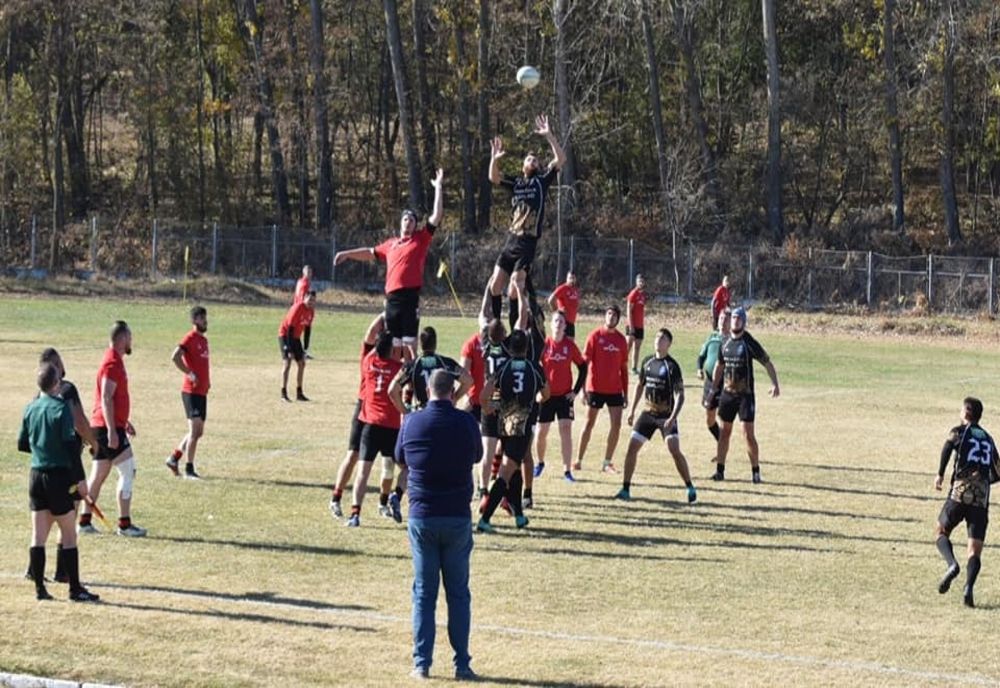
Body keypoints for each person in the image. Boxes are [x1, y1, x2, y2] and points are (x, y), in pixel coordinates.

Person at [394, 369, 481, 681]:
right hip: (457, 515)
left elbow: (400, 458)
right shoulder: (466, 422)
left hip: (423, 515)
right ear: (451, 391)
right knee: (458, 592)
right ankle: (461, 663)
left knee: (423, 593)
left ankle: (422, 662)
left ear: (428, 390)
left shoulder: (413, 422)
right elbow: (477, 455)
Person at [334, 169, 444, 357]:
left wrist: (439, 188)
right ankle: (392, 381)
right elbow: (369, 253)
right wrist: (347, 254)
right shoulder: (390, 244)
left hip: (410, 297)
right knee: (393, 345)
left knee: (409, 346)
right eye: (405, 219)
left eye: (411, 220)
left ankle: (410, 384)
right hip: (392, 299)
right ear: (400, 223)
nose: (408, 222)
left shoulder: (420, 239)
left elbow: (436, 216)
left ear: (415, 225)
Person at [19, 362, 100, 602]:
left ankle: (40, 591)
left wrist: (41, 447)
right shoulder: (60, 408)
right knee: (68, 534)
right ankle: (75, 589)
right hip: (58, 477)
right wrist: (81, 480)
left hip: (36, 476)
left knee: (38, 535)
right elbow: (69, 448)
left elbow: (22, 444)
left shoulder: (30, 408)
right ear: (57, 384)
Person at [486, 114, 566, 323]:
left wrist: (549, 135)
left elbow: (561, 159)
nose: (532, 161)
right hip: (511, 240)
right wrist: (494, 159)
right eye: (528, 159)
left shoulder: (541, 181)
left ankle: (516, 331)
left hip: (528, 242)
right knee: (495, 285)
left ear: (538, 166)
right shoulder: (517, 183)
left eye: (535, 160)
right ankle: (496, 327)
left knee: (514, 289)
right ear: (523, 166)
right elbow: (493, 178)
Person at [477, 329, 549, 533]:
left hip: (504, 424)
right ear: (527, 348)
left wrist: (489, 407)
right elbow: (546, 393)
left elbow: (484, 396)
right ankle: (485, 518)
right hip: (522, 426)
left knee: (515, 468)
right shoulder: (535, 368)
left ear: (509, 348)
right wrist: (536, 399)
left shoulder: (503, 367)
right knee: (507, 471)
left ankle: (518, 515)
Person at [79, 320, 146, 537]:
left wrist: (123, 421)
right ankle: (124, 525)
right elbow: (106, 397)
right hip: (105, 427)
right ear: (122, 338)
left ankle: (84, 521)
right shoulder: (112, 363)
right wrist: (112, 430)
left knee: (98, 474)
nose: (131, 341)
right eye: (129, 336)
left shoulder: (116, 360)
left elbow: (112, 399)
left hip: (106, 424)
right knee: (128, 469)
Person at [616, 329, 696, 503]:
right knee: (631, 449)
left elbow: (680, 395)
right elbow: (640, 386)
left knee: (674, 449)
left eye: (663, 338)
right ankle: (625, 489)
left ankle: (690, 486)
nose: (658, 341)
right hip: (648, 414)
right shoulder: (647, 362)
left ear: (669, 344)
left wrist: (673, 417)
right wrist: (632, 411)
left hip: (666, 415)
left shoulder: (672, 366)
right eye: (657, 337)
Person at [934, 397, 998, 608]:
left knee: (941, 531)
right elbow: (998, 472)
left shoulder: (960, 431)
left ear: (966, 412)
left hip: (960, 492)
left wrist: (940, 474)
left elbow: (947, 447)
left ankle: (952, 565)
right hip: (981, 498)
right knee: (974, 550)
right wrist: (982, 481)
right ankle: (969, 588)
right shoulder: (988, 438)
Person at [709, 307, 780, 483]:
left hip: (745, 396)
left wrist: (775, 384)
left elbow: (767, 362)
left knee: (747, 434)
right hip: (727, 395)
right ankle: (720, 471)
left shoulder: (749, 342)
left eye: (739, 318)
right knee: (724, 432)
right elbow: (719, 366)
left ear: (744, 322)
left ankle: (755, 472)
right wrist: (713, 389)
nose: (735, 321)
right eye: (733, 318)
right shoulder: (725, 342)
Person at [330, 315, 384, 519]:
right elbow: (369, 333)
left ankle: (385, 502)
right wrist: (386, 312)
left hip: (381, 414)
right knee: (353, 455)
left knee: (388, 460)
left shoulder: (393, 356)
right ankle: (336, 497)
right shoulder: (369, 355)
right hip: (363, 408)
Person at [347, 331, 403, 527]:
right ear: (391, 350)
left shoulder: (368, 363)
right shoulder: (398, 368)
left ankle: (355, 513)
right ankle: (395, 495)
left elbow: (369, 342)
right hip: (391, 426)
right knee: (404, 468)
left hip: (370, 425)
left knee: (363, 471)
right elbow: (410, 366)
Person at [575, 304, 629, 473]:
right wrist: (583, 390)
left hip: (615, 390)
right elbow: (584, 365)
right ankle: (578, 460)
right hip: (595, 388)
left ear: (618, 319)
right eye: (609, 314)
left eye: (614, 315)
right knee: (588, 424)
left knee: (616, 425)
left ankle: (607, 462)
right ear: (605, 316)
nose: (611, 317)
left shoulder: (621, 340)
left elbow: (624, 369)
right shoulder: (595, 336)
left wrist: (626, 393)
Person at [536, 310, 587, 482]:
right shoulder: (544, 345)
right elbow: (534, 366)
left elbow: (583, 367)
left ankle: (567, 471)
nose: (558, 324)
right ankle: (540, 463)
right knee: (541, 432)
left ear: (565, 327)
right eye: (555, 321)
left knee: (565, 430)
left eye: (561, 322)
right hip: (546, 396)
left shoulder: (569, 346)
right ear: (551, 324)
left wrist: (576, 390)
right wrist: (538, 389)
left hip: (565, 396)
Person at [166, 306, 210, 480]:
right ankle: (189, 469)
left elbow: (204, 365)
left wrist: (207, 382)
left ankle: (174, 458)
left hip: (201, 392)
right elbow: (175, 356)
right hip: (190, 392)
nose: (205, 321)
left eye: (205, 317)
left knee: (197, 432)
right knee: (194, 431)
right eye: (201, 318)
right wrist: (189, 373)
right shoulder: (190, 338)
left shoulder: (204, 341)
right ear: (194, 321)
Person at [696, 308, 731, 458]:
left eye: (726, 319)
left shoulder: (732, 340)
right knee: (710, 419)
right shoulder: (712, 336)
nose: (722, 321)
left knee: (723, 419)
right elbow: (701, 356)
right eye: (721, 318)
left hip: (725, 384)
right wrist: (699, 369)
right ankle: (720, 442)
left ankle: (721, 453)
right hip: (709, 383)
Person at [278, 290, 316, 402]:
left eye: (313, 300)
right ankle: (283, 393)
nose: (311, 302)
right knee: (287, 363)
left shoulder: (311, 311)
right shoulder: (297, 308)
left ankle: (299, 393)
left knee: (302, 363)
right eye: (309, 299)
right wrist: (289, 350)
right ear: (304, 298)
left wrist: (305, 348)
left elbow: (308, 330)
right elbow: (290, 329)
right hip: (285, 335)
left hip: (295, 337)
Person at [458, 330, 486, 422]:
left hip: (491, 403)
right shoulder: (471, 344)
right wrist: (466, 397)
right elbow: (462, 375)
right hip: (474, 401)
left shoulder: (500, 344)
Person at [548, 271, 580, 339]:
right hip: (564, 321)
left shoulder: (575, 290)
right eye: (570, 278)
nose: (572, 280)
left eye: (573, 278)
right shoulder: (563, 288)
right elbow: (551, 300)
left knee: (570, 346)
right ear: (566, 278)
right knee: (562, 344)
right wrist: (556, 311)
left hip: (571, 322)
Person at [626, 274, 647, 375]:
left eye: (642, 281)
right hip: (632, 325)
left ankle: (634, 368)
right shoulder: (633, 294)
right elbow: (629, 311)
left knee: (637, 347)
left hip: (640, 325)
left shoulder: (643, 295)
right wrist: (631, 326)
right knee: (628, 346)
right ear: (636, 282)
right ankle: (620, 365)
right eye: (639, 281)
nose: (641, 283)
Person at [294, 265, 315, 358]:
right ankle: (304, 351)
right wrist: (309, 309)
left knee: (299, 329)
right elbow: (304, 298)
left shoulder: (299, 281)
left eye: (310, 272)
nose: (309, 274)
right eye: (308, 272)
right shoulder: (305, 284)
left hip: (297, 307)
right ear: (304, 272)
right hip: (303, 309)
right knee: (306, 329)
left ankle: (301, 350)